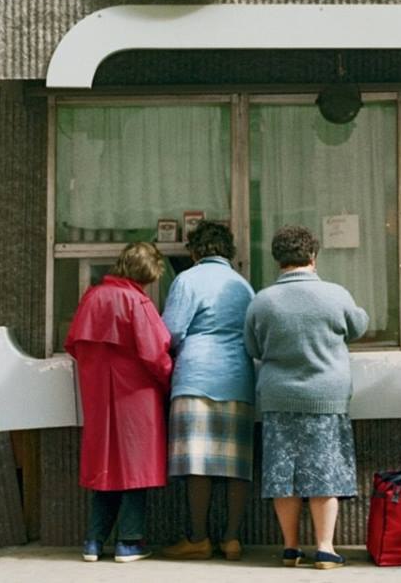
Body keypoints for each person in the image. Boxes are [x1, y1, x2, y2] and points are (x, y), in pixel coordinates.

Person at [244, 225, 369, 570]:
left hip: (278, 397)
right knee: (324, 472)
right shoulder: (335, 294)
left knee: (283, 474)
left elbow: (252, 346)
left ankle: (290, 548)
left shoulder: (262, 300)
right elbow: (359, 326)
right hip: (326, 397)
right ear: (313, 256)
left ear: (277, 259)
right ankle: (325, 548)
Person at [63, 242, 172, 563]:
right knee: (136, 467)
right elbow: (156, 354)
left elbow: (73, 344)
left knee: (104, 466)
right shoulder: (137, 301)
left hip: (97, 392)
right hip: (137, 394)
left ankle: (93, 542)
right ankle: (129, 541)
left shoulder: (92, 297)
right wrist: (171, 380)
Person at [160, 221, 256, 562]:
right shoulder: (243, 285)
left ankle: (198, 538)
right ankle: (232, 539)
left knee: (198, 462)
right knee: (236, 464)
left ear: (194, 251)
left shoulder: (187, 280)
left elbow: (171, 331)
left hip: (196, 376)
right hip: (237, 378)